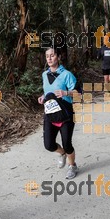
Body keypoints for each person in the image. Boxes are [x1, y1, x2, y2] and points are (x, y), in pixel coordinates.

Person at [38, 47, 79, 179]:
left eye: (52, 55)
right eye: (47, 56)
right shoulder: (44, 75)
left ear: (58, 57)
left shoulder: (67, 74)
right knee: (49, 145)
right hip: (50, 114)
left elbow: (79, 93)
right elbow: (48, 91)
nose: (49, 58)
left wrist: (66, 93)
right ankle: (62, 153)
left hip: (66, 114)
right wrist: (43, 97)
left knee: (67, 144)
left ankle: (72, 166)